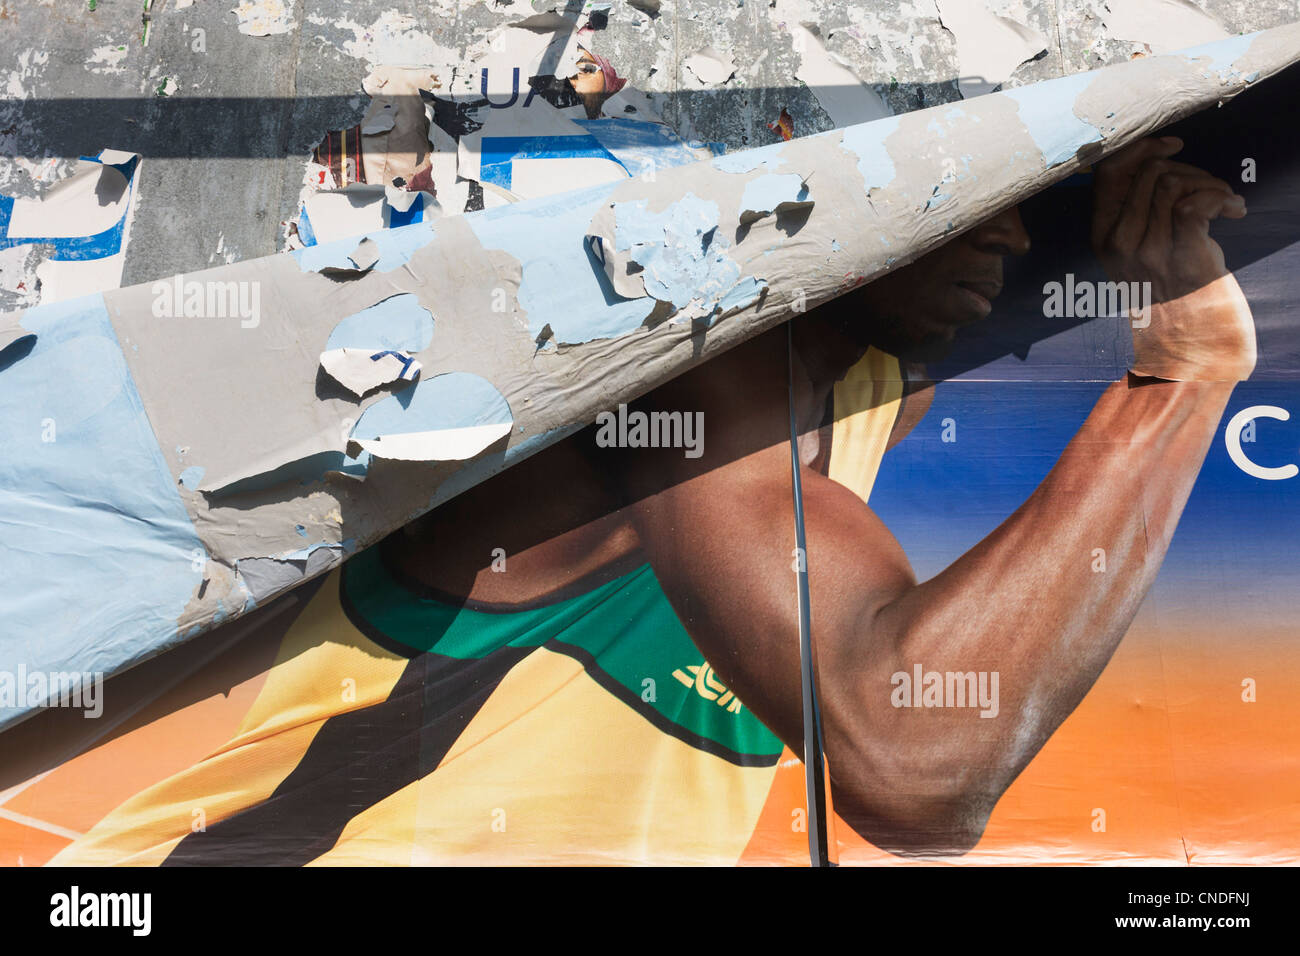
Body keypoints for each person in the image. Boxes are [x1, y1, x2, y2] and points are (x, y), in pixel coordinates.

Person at [48, 135, 1253, 865]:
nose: (1003, 236)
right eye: (974, 192)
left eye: (1029, 204)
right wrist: (1182, 378)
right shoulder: (696, 391)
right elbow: (915, 763)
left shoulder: (875, 384)